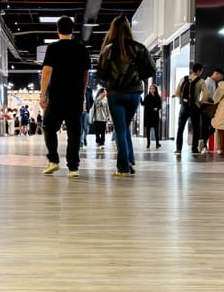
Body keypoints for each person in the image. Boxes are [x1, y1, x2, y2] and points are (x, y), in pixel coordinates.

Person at [97, 16, 156, 176]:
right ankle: (129, 160)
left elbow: (101, 73)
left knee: (120, 129)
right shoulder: (139, 47)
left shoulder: (108, 49)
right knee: (124, 127)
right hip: (134, 93)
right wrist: (137, 77)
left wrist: (109, 82)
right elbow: (151, 68)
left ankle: (123, 168)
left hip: (116, 94)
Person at [39, 16, 90, 177]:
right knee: (74, 132)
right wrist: (82, 92)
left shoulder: (53, 48)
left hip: (56, 96)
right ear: (72, 30)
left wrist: (42, 94)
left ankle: (53, 161)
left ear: (57, 30)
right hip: (75, 97)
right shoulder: (81, 48)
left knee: (49, 128)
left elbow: (47, 71)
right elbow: (86, 74)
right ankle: (73, 168)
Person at [173, 63, 205, 156]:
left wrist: (184, 101)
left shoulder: (183, 79)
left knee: (180, 128)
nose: (201, 73)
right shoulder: (201, 81)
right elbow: (206, 94)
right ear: (198, 71)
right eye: (201, 71)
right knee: (196, 128)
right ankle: (194, 149)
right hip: (194, 107)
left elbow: (177, 93)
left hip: (184, 107)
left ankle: (178, 149)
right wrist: (200, 103)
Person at [197, 67, 224, 152]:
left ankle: (203, 143)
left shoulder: (211, 82)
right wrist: (215, 101)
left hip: (209, 107)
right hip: (207, 107)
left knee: (208, 127)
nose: (220, 79)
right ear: (216, 74)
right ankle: (203, 143)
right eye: (220, 77)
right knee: (209, 126)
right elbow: (206, 96)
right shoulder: (208, 83)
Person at [142, 83, 162, 148]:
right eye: (150, 88)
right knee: (148, 130)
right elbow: (144, 103)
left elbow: (160, 106)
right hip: (149, 115)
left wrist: (157, 108)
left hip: (155, 115)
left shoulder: (158, 97)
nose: (151, 90)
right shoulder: (147, 97)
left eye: (153, 88)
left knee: (156, 129)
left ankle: (157, 143)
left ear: (155, 89)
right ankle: (148, 143)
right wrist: (140, 99)